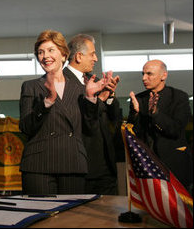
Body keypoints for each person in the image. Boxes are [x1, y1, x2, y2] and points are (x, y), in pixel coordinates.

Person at [19, 30, 110, 195]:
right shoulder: (31, 86)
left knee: (71, 219)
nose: (45, 56)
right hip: (39, 164)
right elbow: (25, 127)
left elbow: (90, 128)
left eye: (50, 50)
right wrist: (47, 102)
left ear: (63, 55)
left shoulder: (81, 88)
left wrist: (90, 97)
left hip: (73, 162)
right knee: (42, 218)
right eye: (40, 52)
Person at [65, 34, 124, 195]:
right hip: (82, 166)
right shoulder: (61, 81)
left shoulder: (95, 80)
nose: (96, 59)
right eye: (92, 54)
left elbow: (114, 119)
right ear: (78, 56)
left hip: (106, 164)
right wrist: (94, 99)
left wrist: (110, 96)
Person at [128, 59, 193, 194]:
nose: (144, 78)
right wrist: (136, 113)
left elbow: (176, 130)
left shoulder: (179, 97)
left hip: (175, 167)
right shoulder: (138, 99)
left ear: (164, 76)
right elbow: (135, 135)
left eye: (149, 74)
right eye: (143, 74)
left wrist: (156, 114)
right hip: (148, 167)